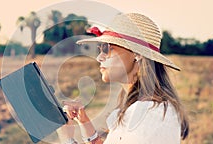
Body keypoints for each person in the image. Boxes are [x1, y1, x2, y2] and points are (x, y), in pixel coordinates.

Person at [61, 13, 189, 144]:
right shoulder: (147, 108)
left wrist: (67, 139)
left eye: (107, 48)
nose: (99, 57)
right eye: (100, 49)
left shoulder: (148, 114)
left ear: (137, 54)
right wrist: (84, 122)